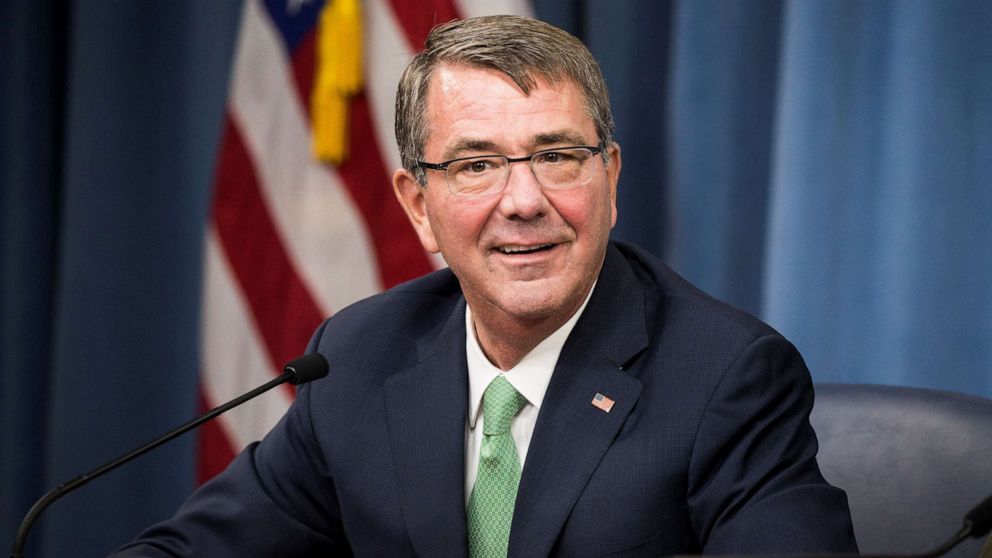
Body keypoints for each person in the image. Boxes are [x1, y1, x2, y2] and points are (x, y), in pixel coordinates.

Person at [115, 15, 857, 557]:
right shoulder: (359, 356)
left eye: (558, 155)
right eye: (476, 165)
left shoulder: (725, 378)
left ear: (611, 178)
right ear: (418, 207)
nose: (524, 200)